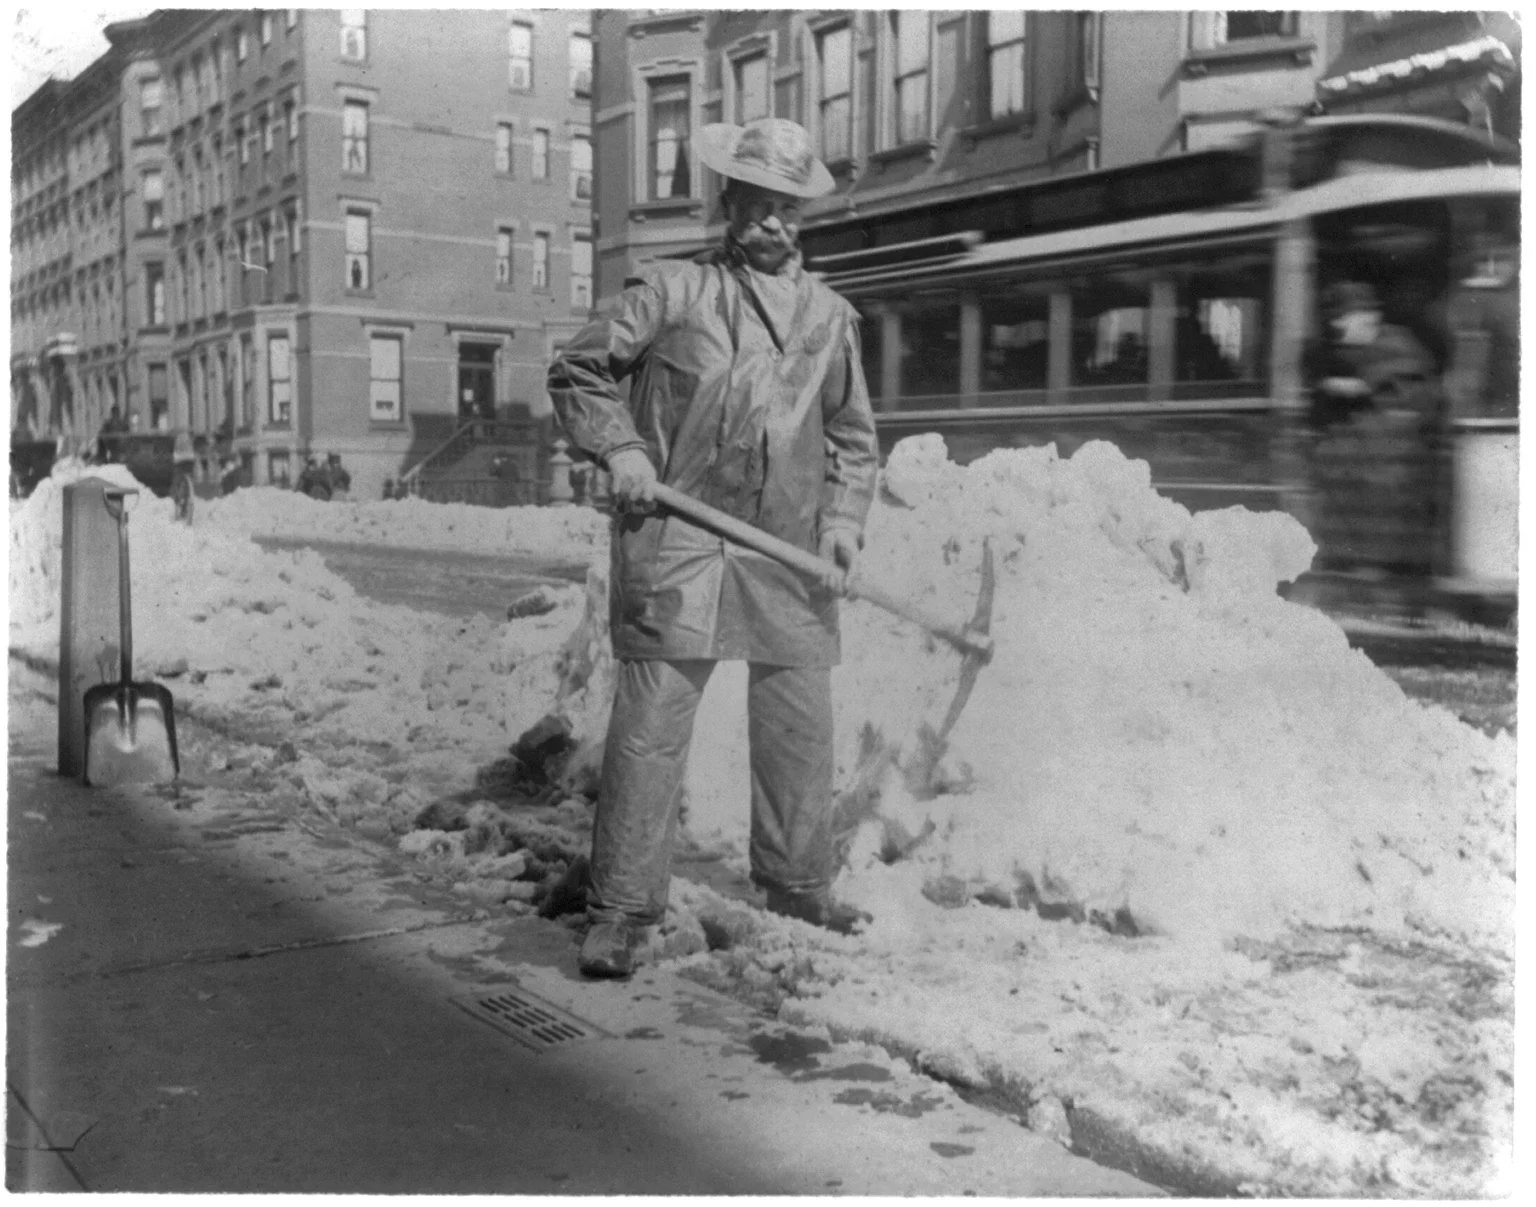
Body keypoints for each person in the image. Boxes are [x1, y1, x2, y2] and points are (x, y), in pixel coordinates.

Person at [547, 117, 879, 979]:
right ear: (728, 202)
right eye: (757, 203)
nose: (772, 223)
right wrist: (620, 448)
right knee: (652, 725)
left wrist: (842, 524)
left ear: (804, 218)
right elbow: (579, 370)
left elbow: (852, 437)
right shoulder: (672, 293)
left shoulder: (831, 319)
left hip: (786, 549)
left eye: (788, 209)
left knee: (799, 722)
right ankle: (621, 907)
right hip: (680, 538)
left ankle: (798, 882)